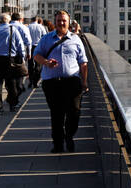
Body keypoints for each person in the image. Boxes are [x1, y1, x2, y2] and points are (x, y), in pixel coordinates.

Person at [33, 10, 89, 153]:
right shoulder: (46, 39)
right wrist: (46, 62)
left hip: (72, 82)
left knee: (74, 112)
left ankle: (69, 135)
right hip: (52, 83)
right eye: (59, 20)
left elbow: (83, 62)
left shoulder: (76, 39)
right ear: (55, 22)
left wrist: (85, 82)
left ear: (69, 22)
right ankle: (58, 144)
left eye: (64, 20)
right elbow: (36, 56)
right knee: (56, 114)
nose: (62, 23)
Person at [0, 12, 25, 111]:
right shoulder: (14, 30)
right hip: (10, 59)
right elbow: (20, 45)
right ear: (9, 20)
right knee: (11, 83)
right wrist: (22, 57)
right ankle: (12, 105)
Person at [27, 14, 47, 88]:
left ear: (31, 20)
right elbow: (44, 37)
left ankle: (30, 81)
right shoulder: (41, 27)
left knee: (30, 65)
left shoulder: (28, 27)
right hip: (38, 46)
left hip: (30, 47)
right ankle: (36, 81)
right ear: (37, 20)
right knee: (38, 65)